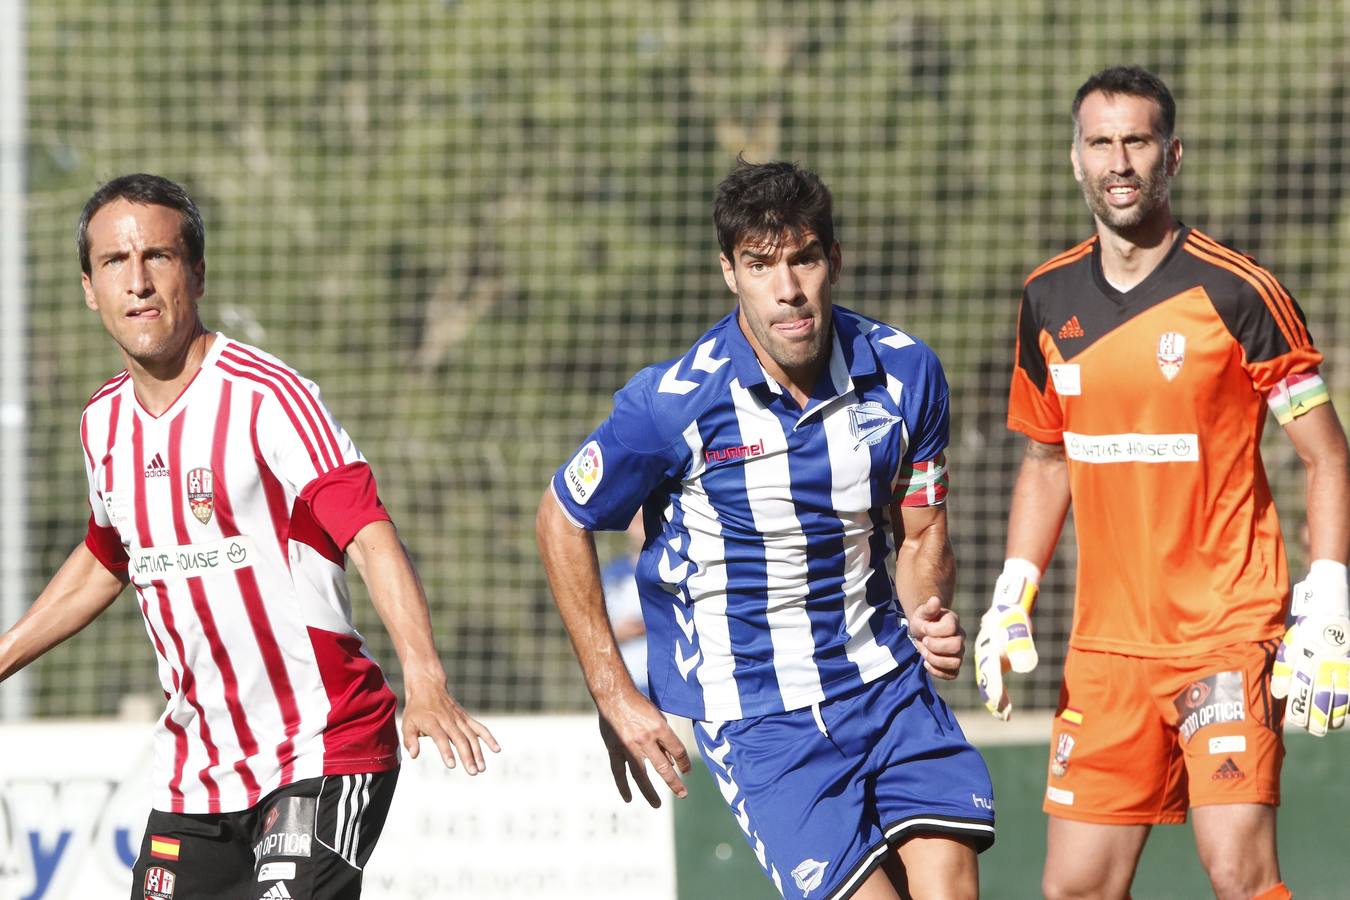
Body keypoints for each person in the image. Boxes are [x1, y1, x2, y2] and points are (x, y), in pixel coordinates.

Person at [0, 174, 499, 900]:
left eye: (158, 257)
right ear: (89, 288)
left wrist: (424, 679)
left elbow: (368, 531)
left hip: (320, 747)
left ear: (197, 274)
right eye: (114, 262)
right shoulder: (101, 423)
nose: (138, 282)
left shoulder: (268, 397)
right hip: (197, 774)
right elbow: (108, 557)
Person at [537, 158, 994, 900]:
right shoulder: (674, 403)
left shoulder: (906, 373)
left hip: (886, 685)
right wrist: (614, 691)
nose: (788, 289)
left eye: (804, 258)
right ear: (730, 272)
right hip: (761, 720)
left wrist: (927, 613)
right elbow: (561, 517)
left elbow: (921, 537)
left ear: (834, 259)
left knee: (952, 888)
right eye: (760, 265)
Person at [974, 66, 1350, 900]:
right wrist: (1011, 595)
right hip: (1106, 649)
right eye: (1100, 143)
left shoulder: (1240, 292)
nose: (1119, 162)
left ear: (1170, 155)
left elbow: (1328, 455)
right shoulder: (1047, 297)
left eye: (1137, 142)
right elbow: (1046, 457)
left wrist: (1328, 602)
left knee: (1238, 872)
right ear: (1075, 157)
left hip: (1226, 631)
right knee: (1075, 887)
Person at [601, 514, 650, 696]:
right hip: (624, 684)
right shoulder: (612, 574)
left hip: (670, 684)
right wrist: (618, 632)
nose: (641, 526)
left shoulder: (675, 571)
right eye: (637, 520)